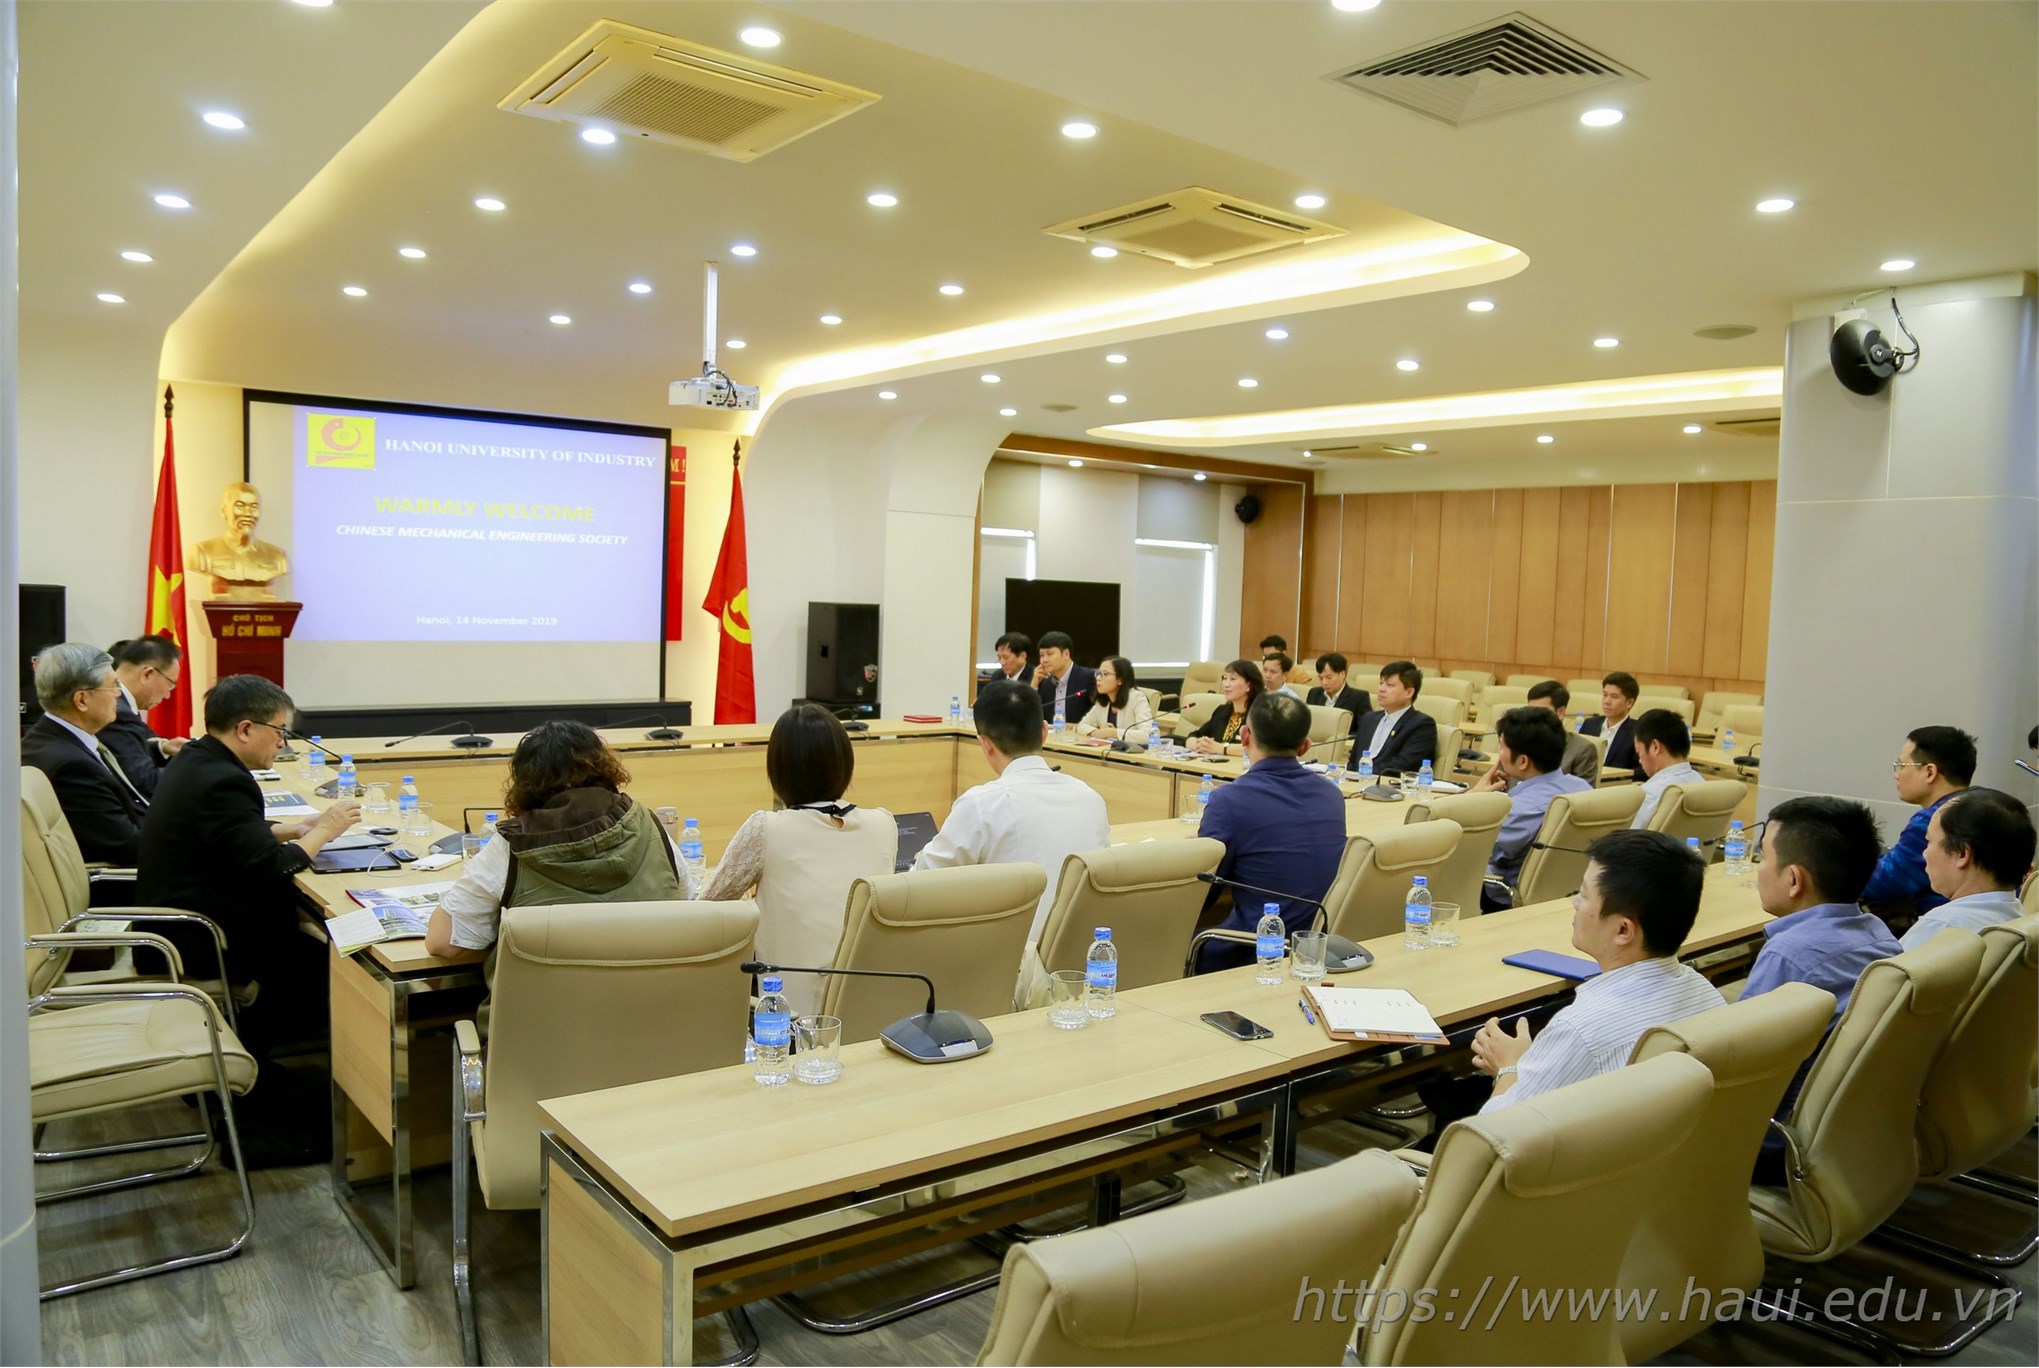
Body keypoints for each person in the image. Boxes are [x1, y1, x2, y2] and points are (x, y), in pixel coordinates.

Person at [136, 674, 362, 1037]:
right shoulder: (223, 780)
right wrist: (325, 831)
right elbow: (272, 865)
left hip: (183, 918)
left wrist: (292, 829)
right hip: (202, 937)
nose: (282, 742)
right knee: (341, 966)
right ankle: (296, 1074)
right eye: (279, 731)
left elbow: (226, 833)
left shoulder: (199, 758)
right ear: (244, 729)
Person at [1471, 830, 1724, 1112]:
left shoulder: (1579, 1030)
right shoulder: (1708, 994)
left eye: (1583, 894)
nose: (1575, 904)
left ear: (1623, 930)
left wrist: (1510, 1068)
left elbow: (1490, 1139)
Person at [425, 720, 694, 961]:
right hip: (650, 1009)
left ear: (524, 782)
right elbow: (687, 910)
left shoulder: (513, 844)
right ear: (606, 768)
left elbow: (443, 943)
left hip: (545, 1015)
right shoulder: (649, 824)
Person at [914, 680, 1109, 1003]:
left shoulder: (982, 803)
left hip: (1004, 977)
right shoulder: (1090, 797)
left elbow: (922, 883)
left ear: (985, 744)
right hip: (1079, 975)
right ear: (1045, 732)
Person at [699, 705, 898, 1016]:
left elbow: (707, 908)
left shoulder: (766, 829)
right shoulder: (885, 824)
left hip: (788, 1024)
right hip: (869, 1012)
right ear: (845, 763)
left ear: (778, 770)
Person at [1193, 694, 1345, 973]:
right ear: (1305, 746)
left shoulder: (1229, 799)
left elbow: (1203, 891)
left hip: (1253, 948)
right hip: (1317, 947)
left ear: (1244, 736)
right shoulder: (1332, 795)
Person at [1743, 795, 1898, 1016]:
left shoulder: (1786, 955)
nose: (1758, 867)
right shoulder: (1880, 933)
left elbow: (1741, 1042)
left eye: (1763, 856)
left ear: (1794, 880)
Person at [22, 642, 150, 865]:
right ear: (82, 700)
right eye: (113, 686)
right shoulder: (71, 767)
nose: (118, 694)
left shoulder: (56, 739)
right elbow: (126, 846)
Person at [1470, 706, 1592, 907]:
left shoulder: (1518, 810)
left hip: (1501, 900)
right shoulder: (1582, 788)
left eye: (1501, 747)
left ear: (1523, 761)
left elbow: (1476, 853)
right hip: (1568, 896)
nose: (1498, 754)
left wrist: (1473, 799)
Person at [1899, 788, 2036, 949]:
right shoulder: (2020, 920)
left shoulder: (1942, 927)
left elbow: (1883, 974)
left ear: (1962, 854)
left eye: (1929, 841)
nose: (1925, 853)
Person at [1862, 725, 1975, 916]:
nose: (1896, 774)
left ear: (1929, 772)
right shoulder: (1986, 809)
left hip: (1947, 928)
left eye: (1901, 766)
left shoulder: (1936, 819)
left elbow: (1886, 881)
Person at [101, 634, 188, 797]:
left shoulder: (123, 705)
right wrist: (197, 769)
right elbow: (146, 781)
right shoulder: (116, 712)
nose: (168, 695)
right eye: (170, 684)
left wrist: (162, 748)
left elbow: (126, 752)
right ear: (146, 674)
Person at [188, 480, 290, 599]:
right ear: (223, 511)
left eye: (254, 507)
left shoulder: (278, 557)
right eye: (240, 506)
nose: (248, 514)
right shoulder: (202, 553)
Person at [1343, 661, 1438, 777]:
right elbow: (1353, 760)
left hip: (1390, 788)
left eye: (1390, 685)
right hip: (1355, 784)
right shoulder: (1368, 719)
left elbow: (1403, 765)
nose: (1381, 689)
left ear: (1409, 692)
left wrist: (1364, 776)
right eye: (1381, 683)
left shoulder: (1422, 725)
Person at [1630, 709, 1703, 829]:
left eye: (1639, 753)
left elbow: (1627, 838)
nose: (1639, 760)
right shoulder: (1700, 780)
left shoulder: (1650, 793)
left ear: (1655, 747)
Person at [1525, 680, 1600, 784]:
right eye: (1530, 711)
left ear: (1560, 712)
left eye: (1541, 712)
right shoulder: (1518, 743)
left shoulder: (1583, 750)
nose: (1533, 718)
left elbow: (1582, 796)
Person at [1186, 658, 1265, 758]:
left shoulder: (1261, 714)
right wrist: (1198, 744)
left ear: (1249, 685)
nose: (1226, 685)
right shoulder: (1222, 711)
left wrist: (1222, 748)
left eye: (1233, 679)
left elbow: (1260, 748)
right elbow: (1195, 735)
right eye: (1224, 678)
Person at [1076, 656, 1156, 744]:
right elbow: (1082, 725)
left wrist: (1113, 733)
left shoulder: (1137, 698)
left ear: (1120, 680)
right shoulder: (1103, 700)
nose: (1098, 678)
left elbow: (1148, 735)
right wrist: (1097, 732)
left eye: (1105, 674)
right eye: (1098, 673)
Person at [1578, 671, 1641, 772]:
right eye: (1605, 695)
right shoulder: (1589, 725)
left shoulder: (1638, 731)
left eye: (1614, 697)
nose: (1606, 701)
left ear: (1629, 703)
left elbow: (1641, 770)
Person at [1034, 630, 1097, 725]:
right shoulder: (1046, 683)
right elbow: (1033, 717)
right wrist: (1033, 686)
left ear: (1066, 654)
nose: (1044, 660)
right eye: (1042, 655)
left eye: (1050, 654)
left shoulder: (1088, 677)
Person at [1306, 652, 1372, 723]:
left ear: (1342, 674)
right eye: (1321, 678)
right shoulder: (1314, 693)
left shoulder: (1359, 697)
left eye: (1329, 677)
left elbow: (1366, 728)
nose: (1324, 682)